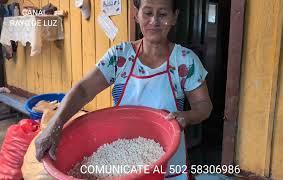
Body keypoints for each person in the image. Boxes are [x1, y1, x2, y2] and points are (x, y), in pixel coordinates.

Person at [35, 0, 213, 179]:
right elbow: (83, 90)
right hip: (124, 156)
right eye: (148, 13)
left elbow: (204, 106)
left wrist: (186, 116)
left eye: (163, 14)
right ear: (136, 14)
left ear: (174, 17)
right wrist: (55, 124)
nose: (154, 21)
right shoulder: (120, 55)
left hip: (169, 162)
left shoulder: (185, 60)